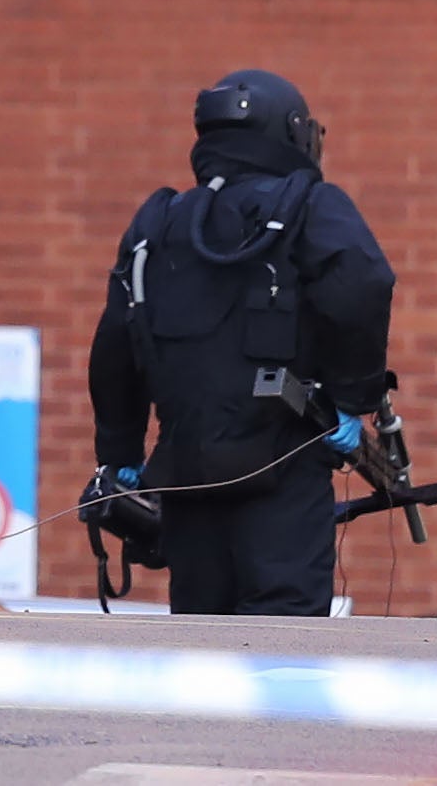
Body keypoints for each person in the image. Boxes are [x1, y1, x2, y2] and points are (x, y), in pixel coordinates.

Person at [86, 68, 396, 616]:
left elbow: (115, 344)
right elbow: (364, 280)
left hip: (185, 482)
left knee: (202, 649)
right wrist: (353, 398)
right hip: (284, 472)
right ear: (295, 133)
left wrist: (120, 454)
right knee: (284, 651)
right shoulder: (311, 206)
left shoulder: (155, 225)